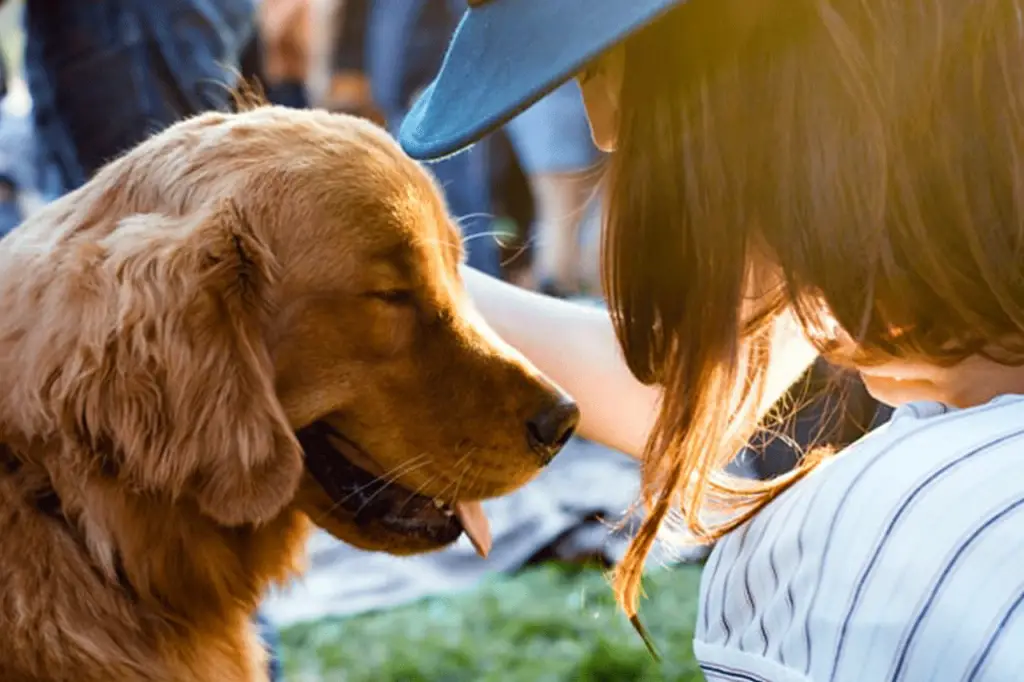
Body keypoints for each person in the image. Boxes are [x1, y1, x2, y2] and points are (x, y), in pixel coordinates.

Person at [399, 0, 1024, 679]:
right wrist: (402, 281)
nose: (603, 133)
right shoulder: (870, 123)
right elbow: (682, 390)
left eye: (592, 70)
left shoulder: (866, 555)